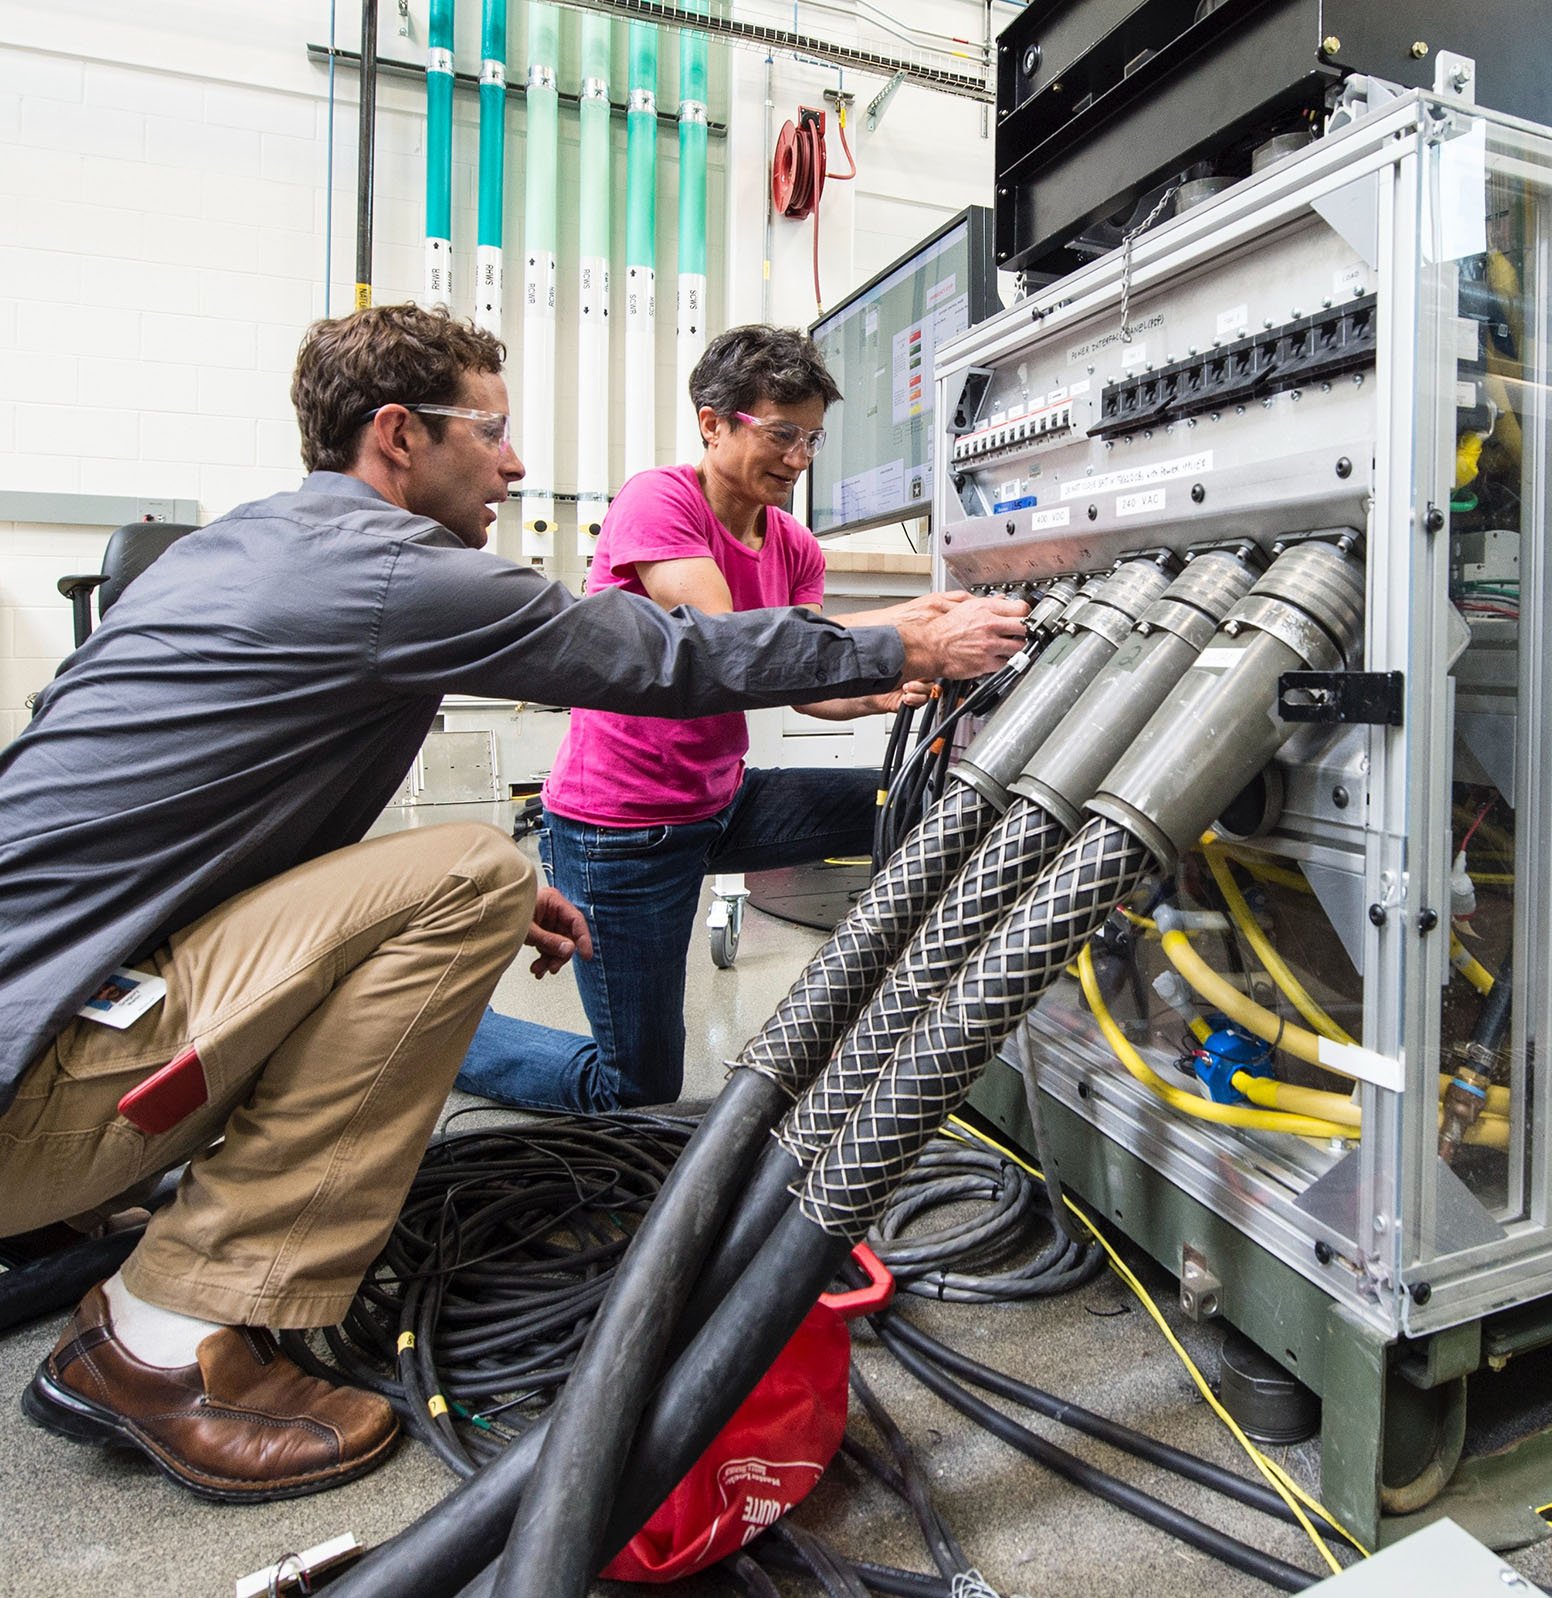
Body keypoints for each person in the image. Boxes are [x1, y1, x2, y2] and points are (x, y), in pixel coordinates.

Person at [0, 304, 1026, 1503]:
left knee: (478, 881)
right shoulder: (393, 567)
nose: (517, 462)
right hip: (36, 1100)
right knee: (479, 870)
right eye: (490, 431)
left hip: (48, 1024)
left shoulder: (242, 546)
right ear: (397, 434)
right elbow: (661, 654)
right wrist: (896, 638)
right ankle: (161, 1342)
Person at [456, 326, 930, 1113]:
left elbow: (803, 683)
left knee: (914, 799)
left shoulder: (794, 546)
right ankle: (457, 1043)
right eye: (781, 433)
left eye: (811, 437)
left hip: (720, 801)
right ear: (714, 422)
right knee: (636, 1086)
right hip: (622, 831)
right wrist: (903, 634)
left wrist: (882, 691)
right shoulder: (660, 500)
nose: (799, 456)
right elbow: (726, 650)